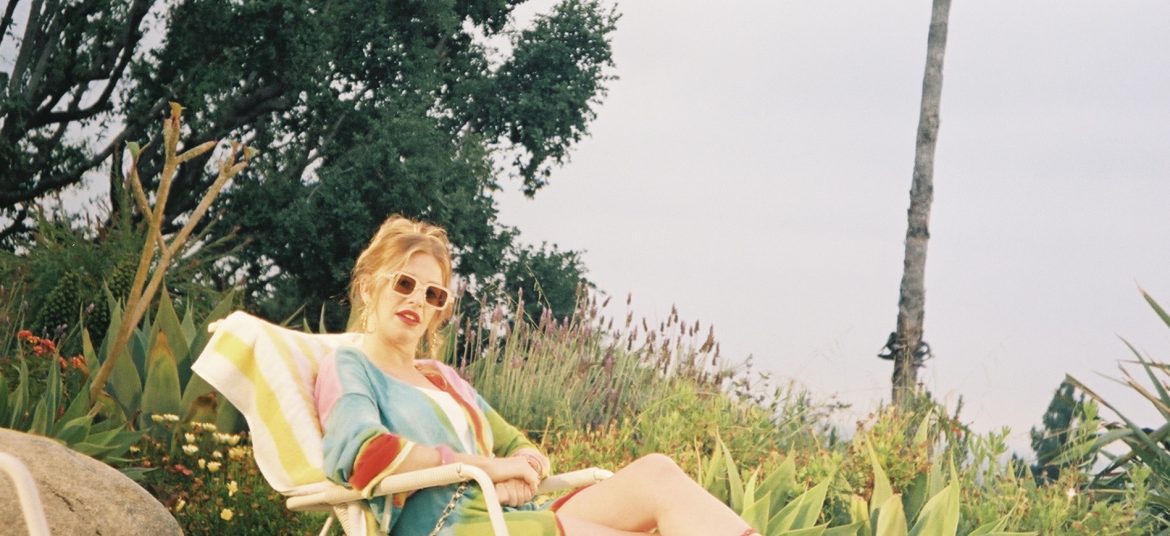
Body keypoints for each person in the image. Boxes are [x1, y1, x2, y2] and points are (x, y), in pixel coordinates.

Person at [316, 214, 761, 536]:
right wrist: (488, 469)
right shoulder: (351, 366)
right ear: (368, 287)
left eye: (433, 294)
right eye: (404, 283)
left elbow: (522, 448)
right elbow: (363, 453)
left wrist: (521, 473)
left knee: (657, 474)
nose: (417, 300)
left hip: (508, 518)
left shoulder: (444, 379)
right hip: (452, 528)